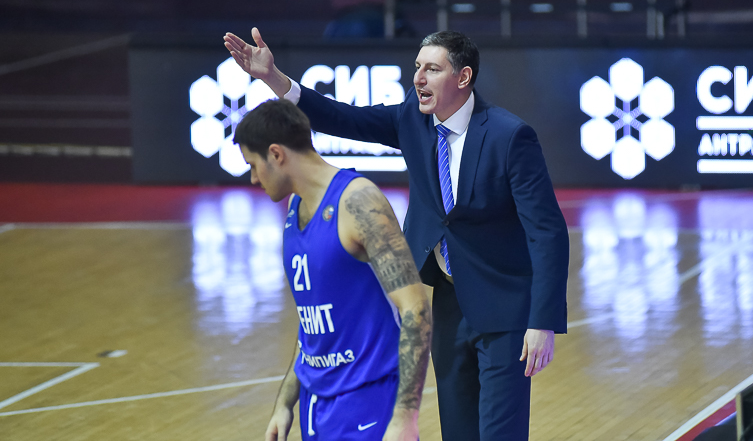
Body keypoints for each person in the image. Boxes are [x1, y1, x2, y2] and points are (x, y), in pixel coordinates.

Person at [224, 28, 570, 441]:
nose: (418, 77)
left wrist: (542, 321)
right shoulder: (412, 118)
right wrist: (274, 79)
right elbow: (342, 117)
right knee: (457, 432)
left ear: (463, 77)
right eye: (417, 67)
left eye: (432, 69)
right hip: (449, 301)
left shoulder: (509, 136)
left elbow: (547, 232)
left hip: (504, 306)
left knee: (499, 433)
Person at [233, 99, 432, 441]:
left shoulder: (358, 202)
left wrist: (405, 416)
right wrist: (285, 402)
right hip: (315, 403)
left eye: (253, 165)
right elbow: (313, 320)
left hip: (368, 400)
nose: (253, 178)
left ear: (276, 154)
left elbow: (416, 309)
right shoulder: (295, 205)